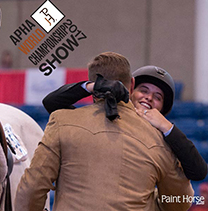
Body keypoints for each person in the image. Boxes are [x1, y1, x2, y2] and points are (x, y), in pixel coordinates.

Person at [15, 52, 193, 211]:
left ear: (93, 84)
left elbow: (31, 188)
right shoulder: (159, 140)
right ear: (131, 85)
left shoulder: (62, 121)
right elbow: (181, 201)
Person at [42, 65, 208, 181]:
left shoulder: (163, 139)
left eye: (158, 97)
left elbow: (198, 171)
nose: (149, 98)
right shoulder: (106, 116)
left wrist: (166, 126)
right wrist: (93, 86)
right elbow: (51, 103)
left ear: (163, 109)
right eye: (144, 90)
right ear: (130, 90)